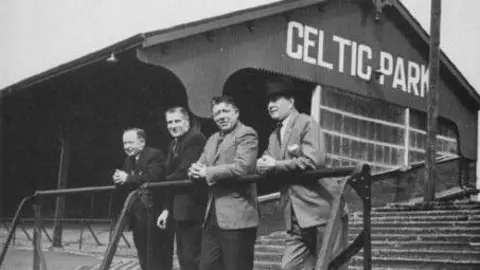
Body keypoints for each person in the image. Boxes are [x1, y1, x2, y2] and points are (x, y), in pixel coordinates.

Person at [256, 78, 348, 270]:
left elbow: (314, 160)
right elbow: (269, 160)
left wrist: (276, 165)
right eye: (268, 101)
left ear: (290, 102)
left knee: (332, 266)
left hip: (322, 211)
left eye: (276, 99)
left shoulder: (306, 123)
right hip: (295, 219)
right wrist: (261, 164)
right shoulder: (274, 135)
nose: (271, 105)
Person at [188, 96, 259, 270]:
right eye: (217, 113)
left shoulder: (246, 133)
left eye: (225, 111)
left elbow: (243, 166)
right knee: (206, 266)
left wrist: (207, 172)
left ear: (236, 112)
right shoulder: (212, 139)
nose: (221, 116)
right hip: (212, 216)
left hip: (237, 217)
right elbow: (201, 163)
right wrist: (194, 171)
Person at [112, 128, 174, 270]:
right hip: (137, 215)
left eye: (130, 142)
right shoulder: (129, 160)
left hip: (154, 211)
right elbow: (128, 183)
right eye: (124, 143)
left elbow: (154, 177)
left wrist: (127, 178)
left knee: (155, 254)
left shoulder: (154, 155)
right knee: (142, 252)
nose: (126, 147)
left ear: (142, 142)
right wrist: (118, 179)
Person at [156, 106, 207, 270]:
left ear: (187, 122)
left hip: (192, 210)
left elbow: (184, 172)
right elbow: (171, 174)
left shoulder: (195, 138)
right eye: (169, 122)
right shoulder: (173, 143)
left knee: (192, 258)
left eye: (177, 121)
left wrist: (159, 182)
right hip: (179, 210)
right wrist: (166, 209)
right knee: (184, 258)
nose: (173, 125)